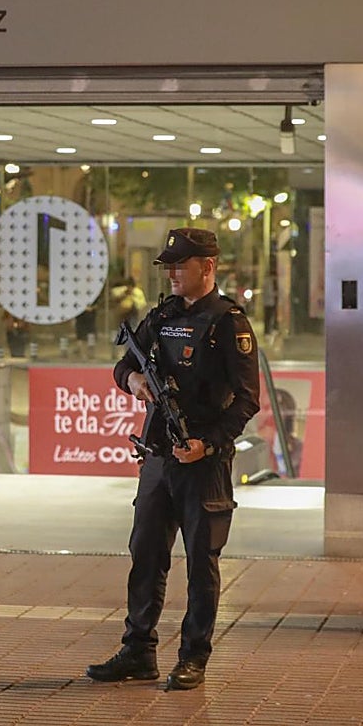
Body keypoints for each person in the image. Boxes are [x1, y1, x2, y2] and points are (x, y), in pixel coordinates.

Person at [87, 227, 260, 691]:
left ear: (208, 267)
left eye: (181, 266)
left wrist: (209, 442)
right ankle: (138, 650)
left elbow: (248, 400)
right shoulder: (161, 317)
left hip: (203, 464)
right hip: (159, 458)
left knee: (201, 564)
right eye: (169, 267)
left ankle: (193, 657)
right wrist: (134, 383)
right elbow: (125, 364)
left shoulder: (229, 323)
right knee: (145, 556)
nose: (173, 274)